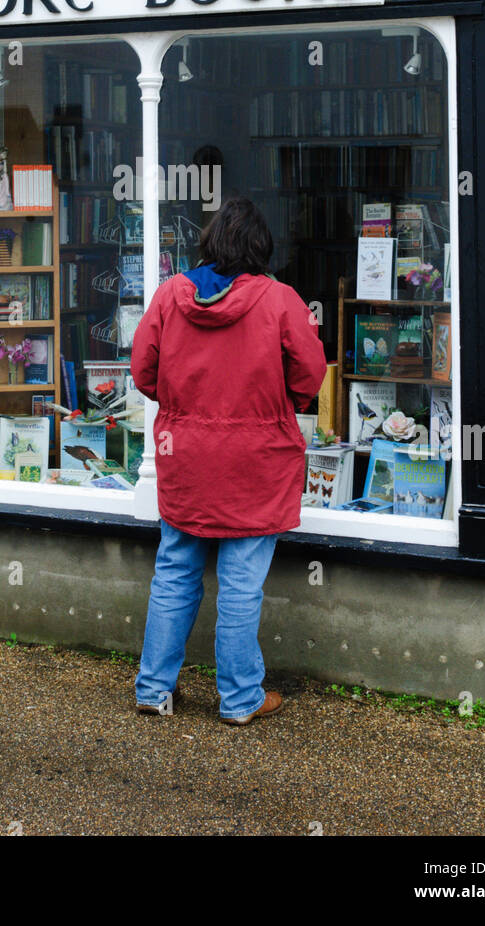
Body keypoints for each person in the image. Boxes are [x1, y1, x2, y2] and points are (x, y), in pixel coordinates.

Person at [130, 195, 327, 726]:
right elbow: (310, 373)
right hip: (256, 460)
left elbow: (142, 370)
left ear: (211, 241)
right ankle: (240, 699)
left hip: (186, 455)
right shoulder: (280, 299)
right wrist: (282, 406)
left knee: (175, 569)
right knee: (241, 581)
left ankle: (154, 690)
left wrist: (182, 406)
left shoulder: (172, 295)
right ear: (262, 248)